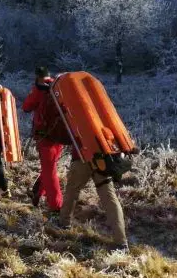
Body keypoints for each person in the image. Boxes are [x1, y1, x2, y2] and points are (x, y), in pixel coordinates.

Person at [22, 66, 66, 211]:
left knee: (49, 170)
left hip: (45, 136)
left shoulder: (40, 89)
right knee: (49, 166)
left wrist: (35, 90)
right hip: (60, 135)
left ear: (38, 76)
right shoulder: (59, 86)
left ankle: (56, 205)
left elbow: (26, 106)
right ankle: (37, 192)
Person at [59, 160, 129, 250]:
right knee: (110, 198)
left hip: (82, 158)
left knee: (72, 190)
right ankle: (121, 242)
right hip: (102, 161)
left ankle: (64, 224)